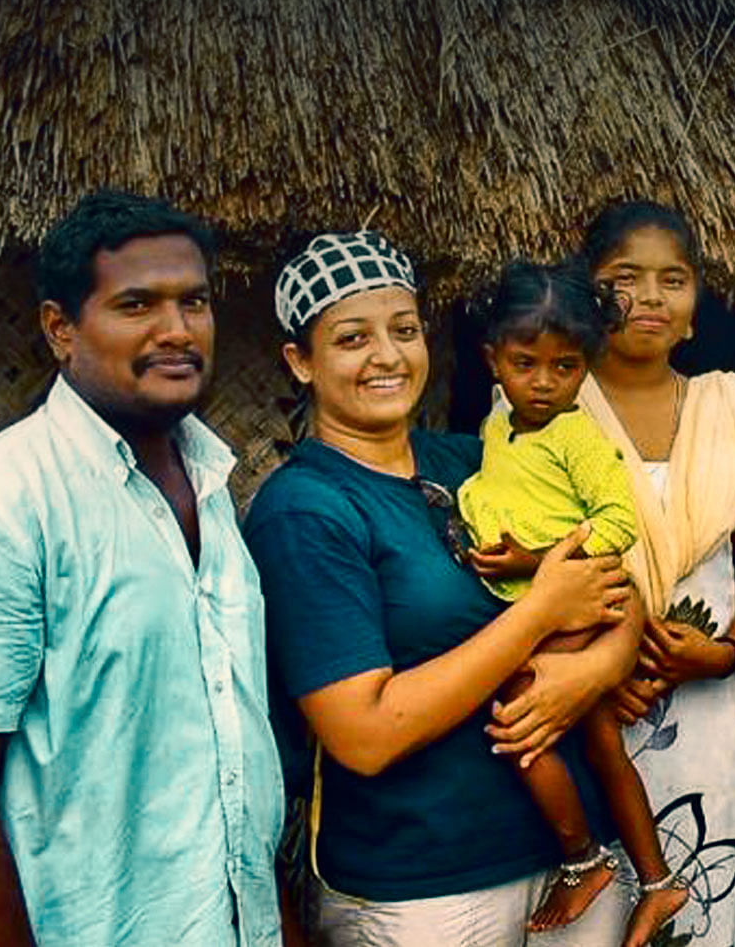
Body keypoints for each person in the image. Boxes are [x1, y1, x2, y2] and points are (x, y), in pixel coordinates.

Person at [0, 190, 288, 946]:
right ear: (61, 328)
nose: (177, 330)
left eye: (194, 301)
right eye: (137, 304)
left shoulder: (214, 485)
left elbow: (236, 753)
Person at [244, 231, 637, 946]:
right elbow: (363, 733)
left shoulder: (476, 456)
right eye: (352, 338)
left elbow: (608, 569)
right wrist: (538, 616)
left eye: (404, 329)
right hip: (427, 886)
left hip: (574, 863)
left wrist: (596, 667)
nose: (387, 355)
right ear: (301, 361)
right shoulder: (306, 510)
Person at [570, 199, 735, 947]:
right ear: (588, 292)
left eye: (675, 279)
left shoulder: (730, 410)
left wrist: (721, 654)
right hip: (588, 714)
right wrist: (598, 668)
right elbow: (514, 585)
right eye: (625, 277)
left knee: (699, 919)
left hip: (709, 717)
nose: (652, 297)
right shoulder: (540, 413)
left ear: (696, 304)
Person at [456, 260, 689, 944]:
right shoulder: (497, 425)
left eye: (565, 366)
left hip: (569, 611)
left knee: (522, 734)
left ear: (586, 365)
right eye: (525, 363)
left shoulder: (575, 435)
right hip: (539, 613)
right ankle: (658, 880)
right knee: (602, 744)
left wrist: (538, 558)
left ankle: (582, 856)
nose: (543, 382)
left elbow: (618, 522)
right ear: (492, 357)